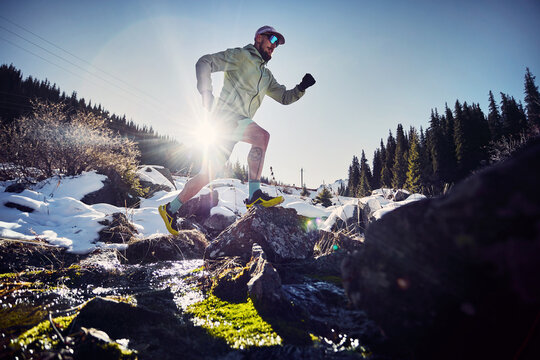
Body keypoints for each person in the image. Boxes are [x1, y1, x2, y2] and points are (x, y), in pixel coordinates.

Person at [159, 25, 316, 235]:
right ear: (259, 38)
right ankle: (254, 195)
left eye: (278, 44)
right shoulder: (241, 56)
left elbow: (284, 98)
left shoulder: (266, 76)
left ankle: (170, 209)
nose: (274, 46)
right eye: (272, 40)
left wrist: (301, 88)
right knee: (262, 137)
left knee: (207, 175)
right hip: (226, 117)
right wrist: (206, 93)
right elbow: (204, 62)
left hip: (235, 125)